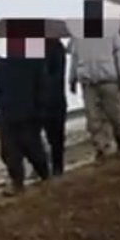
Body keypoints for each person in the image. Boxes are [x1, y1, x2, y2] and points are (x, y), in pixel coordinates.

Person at [0, 44, 51, 196]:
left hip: (29, 112)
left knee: (33, 149)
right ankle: (17, 183)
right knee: (9, 152)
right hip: (7, 111)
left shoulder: (34, 56)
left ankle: (45, 176)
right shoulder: (0, 59)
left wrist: (42, 110)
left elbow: (42, 85)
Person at [68, 23, 120, 159]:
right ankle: (101, 147)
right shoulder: (78, 36)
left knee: (115, 113)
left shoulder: (111, 32)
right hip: (88, 82)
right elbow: (74, 58)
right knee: (93, 117)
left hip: (108, 79)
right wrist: (72, 78)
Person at [42, 33, 69, 175]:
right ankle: (55, 167)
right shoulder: (57, 46)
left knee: (54, 137)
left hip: (50, 98)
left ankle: (55, 167)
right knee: (55, 137)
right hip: (53, 98)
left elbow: (56, 74)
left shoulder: (56, 47)